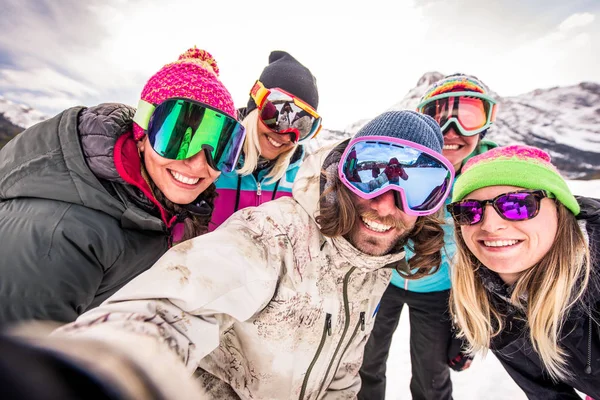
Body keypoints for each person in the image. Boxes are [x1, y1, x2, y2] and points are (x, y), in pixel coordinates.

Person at [21, 111, 454, 399]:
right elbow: (172, 306)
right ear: (339, 174)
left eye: (418, 187)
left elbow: (342, 370)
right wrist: (99, 372)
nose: (385, 203)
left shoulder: (376, 262)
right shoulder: (274, 234)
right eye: (371, 174)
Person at [0, 47, 246, 324]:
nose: (200, 164)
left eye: (221, 147)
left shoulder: (154, 203)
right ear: (141, 135)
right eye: (178, 138)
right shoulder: (61, 233)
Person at [359, 73, 499, 400]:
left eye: (469, 118)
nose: (452, 131)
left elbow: (494, 254)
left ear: (484, 127)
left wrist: (468, 325)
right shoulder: (404, 165)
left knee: (431, 379)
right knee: (365, 361)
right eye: (440, 116)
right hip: (386, 282)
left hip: (438, 292)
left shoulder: (487, 184)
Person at [447, 145, 599, 399]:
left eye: (517, 205)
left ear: (561, 212)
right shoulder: (490, 302)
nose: (490, 225)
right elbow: (547, 394)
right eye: (470, 211)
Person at [209, 50, 321, 230]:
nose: (286, 135)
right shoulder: (210, 161)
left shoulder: (300, 182)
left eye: (301, 126)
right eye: (277, 117)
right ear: (256, 103)